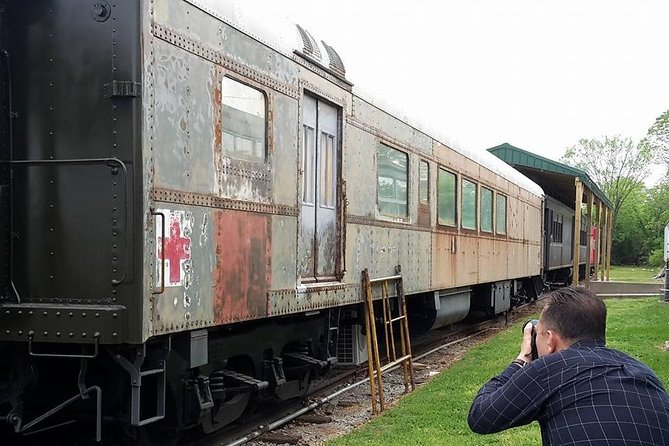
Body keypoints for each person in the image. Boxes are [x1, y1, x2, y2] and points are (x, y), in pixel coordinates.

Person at [468, 286, 669, 445]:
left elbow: (481, 416)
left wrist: (521, 359)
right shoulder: (644, 373)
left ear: (550, 340)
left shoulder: (548, 368)